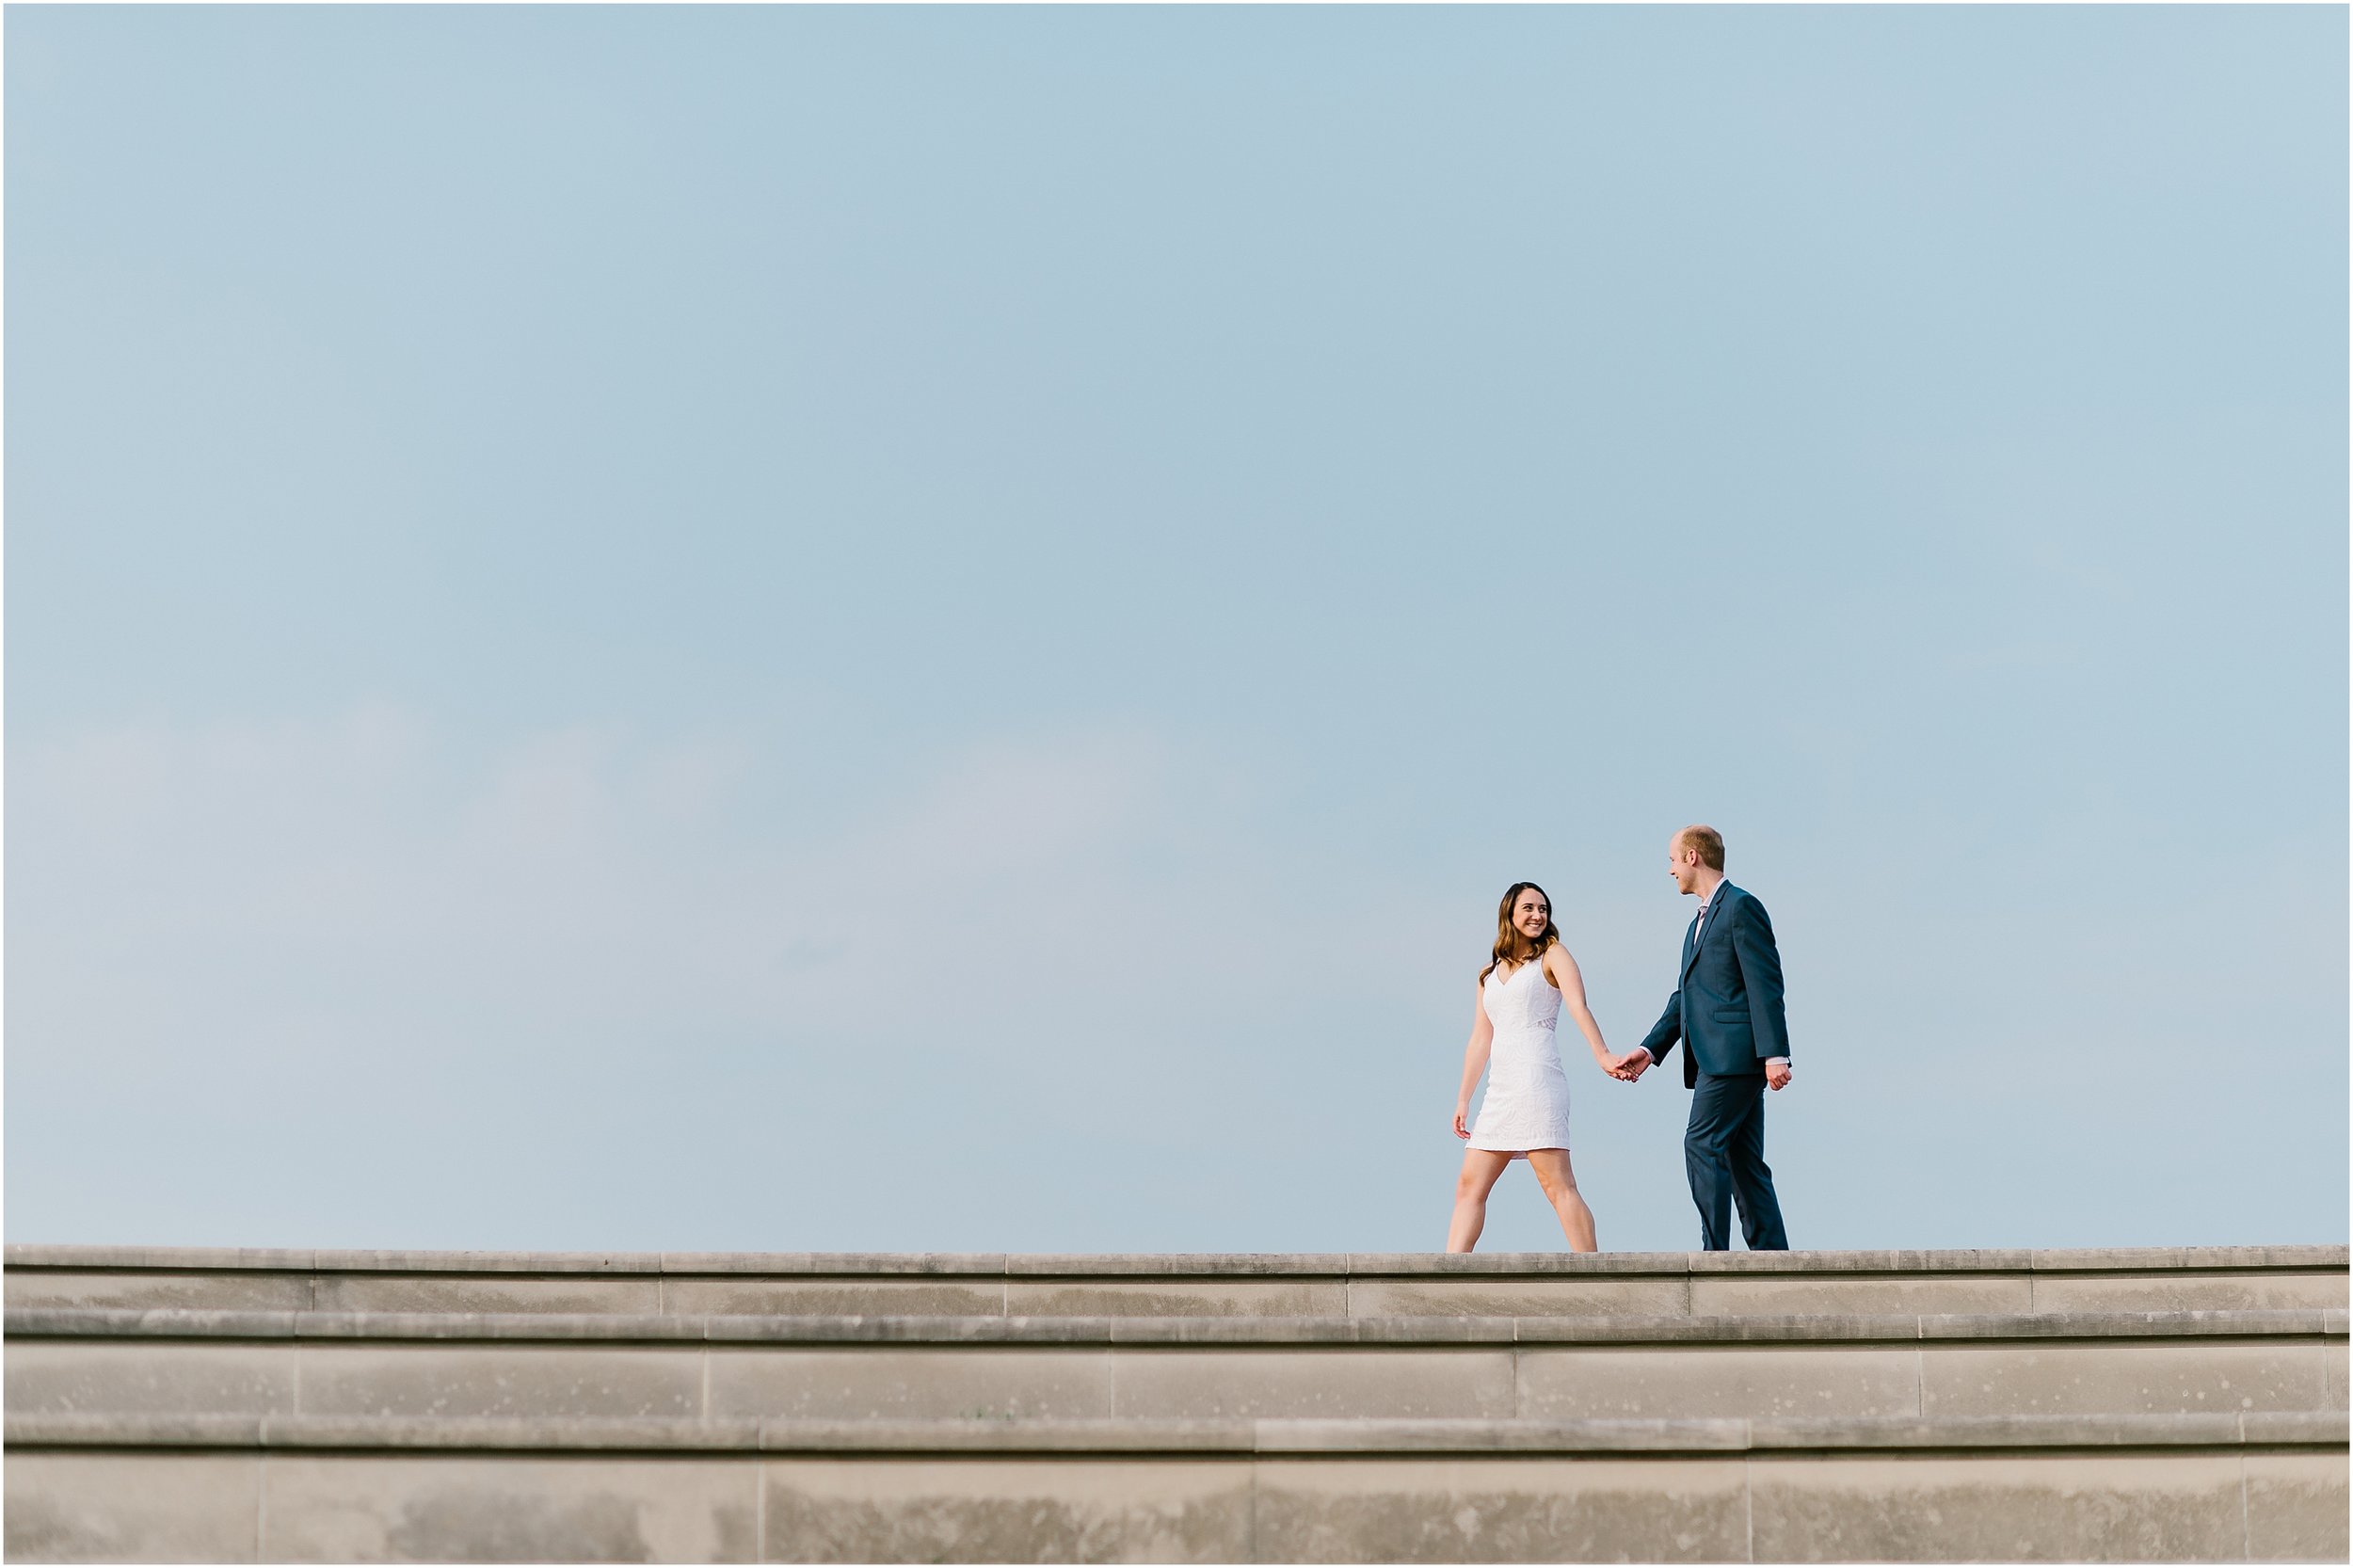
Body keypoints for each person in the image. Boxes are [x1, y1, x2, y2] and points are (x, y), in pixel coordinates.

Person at [1618, 825, 1792, 1251]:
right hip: (1723, 1058)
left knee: (1701, 1142)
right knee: (1743, 1162)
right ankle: (1775, 1260)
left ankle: (1714, 1256)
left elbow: (1764, 983)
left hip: (1733, 1056)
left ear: (1693, 857)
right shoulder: (1694, 925)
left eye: (1672, 860)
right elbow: (1686, 996)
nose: (1670, 870)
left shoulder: (1741, 907)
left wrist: (1775, 1053)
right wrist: (1649, 1049)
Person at [1449, 881, 1641, 1253]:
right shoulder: (1487, 975)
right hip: (1499, 1090)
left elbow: (1578, 1007)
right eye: (1529, 908)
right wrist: (1462, 1100)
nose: (1538, 915)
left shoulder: (1553, 956)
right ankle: (1446, 1272)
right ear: (1509, 913)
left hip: (1537, 1080)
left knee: (1558, 1185)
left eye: (1543, 909)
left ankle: (1592, 1270)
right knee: (1469, 1186)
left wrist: (1603, 1055)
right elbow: (1479, 1040)